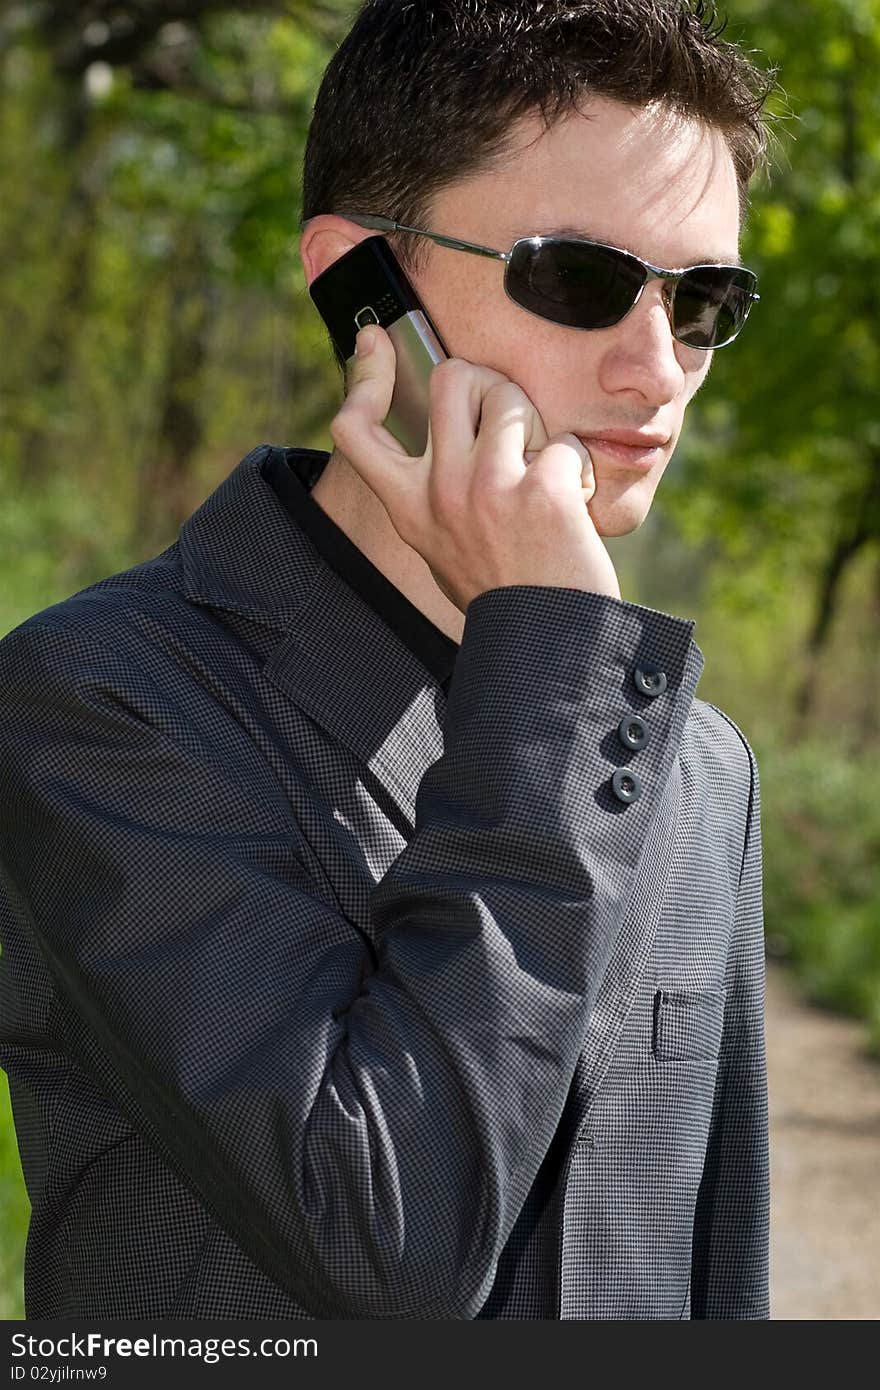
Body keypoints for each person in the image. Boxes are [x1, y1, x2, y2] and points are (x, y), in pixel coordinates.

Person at [0, 0, 775, 1320]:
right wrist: (558, 671)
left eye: (704, 301)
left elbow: (717, 1273)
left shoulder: (693, 762)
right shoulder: (106, 701)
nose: (659, 372)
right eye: (580, 278)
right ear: (363, 286)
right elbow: (385, 1241)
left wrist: (572, 679)